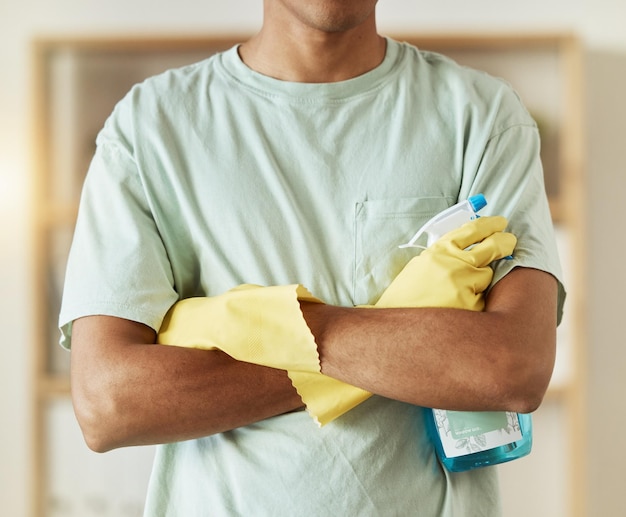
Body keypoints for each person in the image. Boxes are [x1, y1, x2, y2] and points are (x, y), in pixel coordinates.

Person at [60, 1, 565, 515]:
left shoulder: (483, 118)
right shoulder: (147, 129)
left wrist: (246, 325)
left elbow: (511, 367)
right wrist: (402, 334)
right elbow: (109, 404)